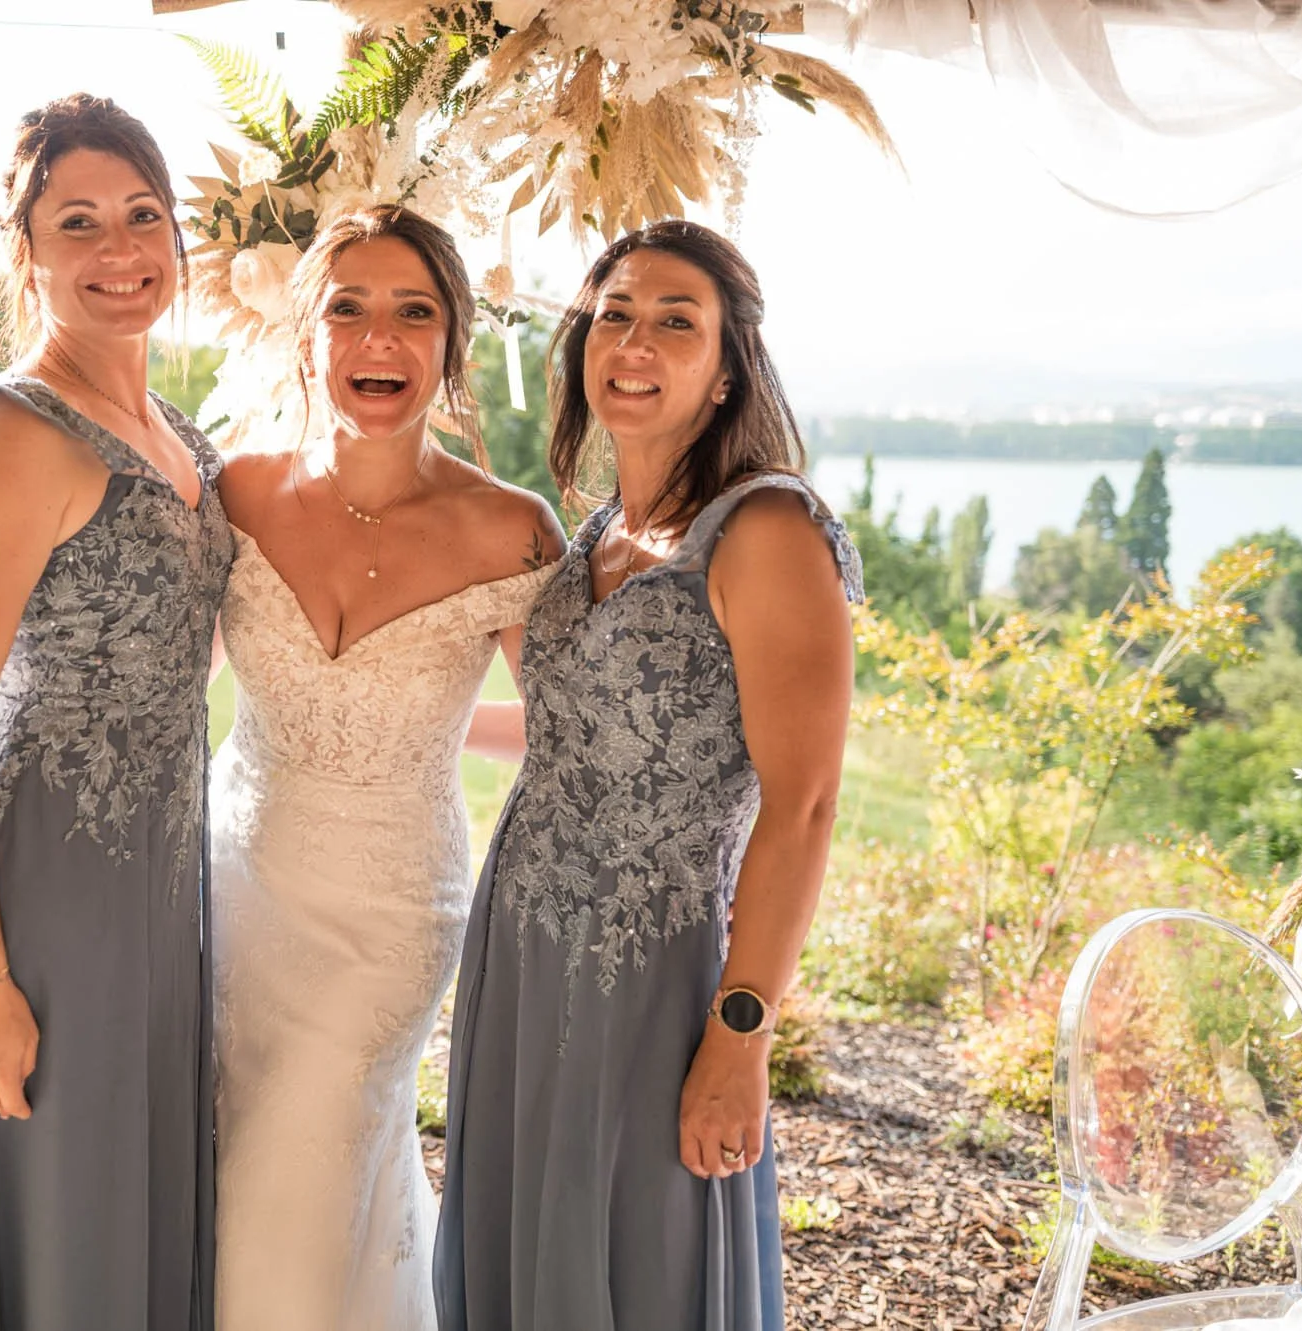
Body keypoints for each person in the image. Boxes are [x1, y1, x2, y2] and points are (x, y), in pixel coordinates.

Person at [434, 219, 863, 1331]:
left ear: (725, 374)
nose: (635, 339)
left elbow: (803, 800)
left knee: (637, 1257)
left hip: (653, 975)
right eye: (614, 312)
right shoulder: (594, 537)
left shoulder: (763, 529)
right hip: (521, 952)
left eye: (676, 321)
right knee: (523, 1247)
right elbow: (569, 733)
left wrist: (739, 1032)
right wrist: (372, 722)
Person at [0, 93, 230, 1331]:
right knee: (40, 1226)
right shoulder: (14, 430)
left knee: (111, 1219)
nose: (120, 251)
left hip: (149, 890)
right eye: (79, 223)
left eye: (142, 217)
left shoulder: (178, 434)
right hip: (22, 892)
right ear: (25, 252)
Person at [209, 204, 565, 1330]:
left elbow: (565, 730)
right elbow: (160, 675)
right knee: (228, 1169)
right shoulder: (235, 492)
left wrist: (420, 730)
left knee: (298, 1167)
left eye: (414, 313)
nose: (379, 340)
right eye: (347, 308)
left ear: (453, 344)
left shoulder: (511, 529)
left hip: (390, 914)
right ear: (303, 335)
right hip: (233, 885)